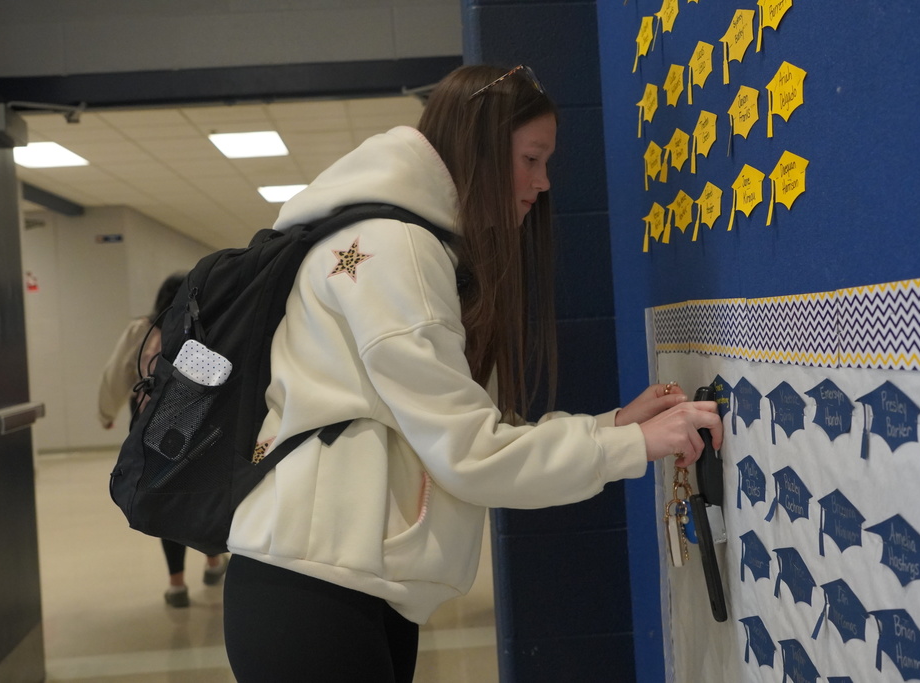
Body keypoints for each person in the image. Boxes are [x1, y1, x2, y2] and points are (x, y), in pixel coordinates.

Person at [222, 64, 723, 682]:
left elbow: (463, 427)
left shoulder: (398, 241)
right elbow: (467, 453)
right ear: (480, 148)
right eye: (531, 159)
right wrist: (631, 444)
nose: (542, 183)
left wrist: (614, 425)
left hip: (334, 580)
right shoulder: (393, 250)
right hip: (314, 588)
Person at [98, 272, 228, 608]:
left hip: (151, 427)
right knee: (198, 492)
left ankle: (176, 585)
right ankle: (213, 561)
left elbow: (116, 372)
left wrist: (106, 412)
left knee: (163, 494)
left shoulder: (142, 329)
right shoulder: (206, 325)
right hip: (200, 427)